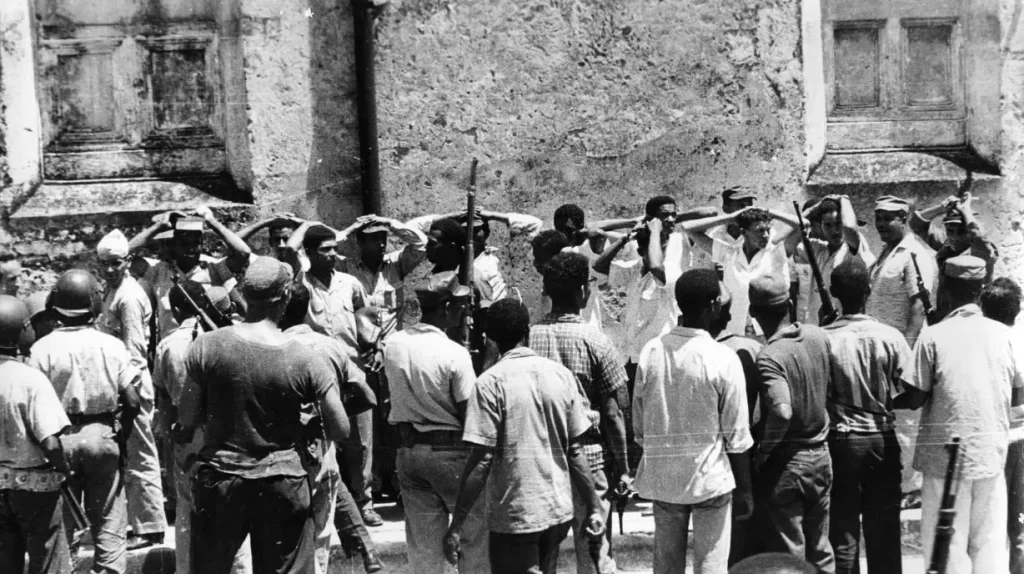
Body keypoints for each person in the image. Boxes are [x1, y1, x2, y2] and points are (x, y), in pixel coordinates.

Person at [175, 257, 351, 574]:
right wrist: (307, 424)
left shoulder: (206, 346)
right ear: (285, 296)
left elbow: (185, 420)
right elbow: (340, 428)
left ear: (244, 293)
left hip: (222, 479)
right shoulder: (305, 357)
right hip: (283, 480)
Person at [443, 299, 606, 574]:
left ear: (491, 339)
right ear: (527, 331)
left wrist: (456, 526)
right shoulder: (561, 375)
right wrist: (593, 508)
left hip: (516, 514)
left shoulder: (489, 383)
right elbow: (575, 451)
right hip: (557, 510)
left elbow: (482, 460)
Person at [897, 255, 1024, 574]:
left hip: (943, 460)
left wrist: (886, 401)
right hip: (989, 457)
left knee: (947, 549)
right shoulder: (1003, 335)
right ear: (981, 291)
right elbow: (1017, 394)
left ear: (945, 289)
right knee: (988, 546)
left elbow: (915, 397)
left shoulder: (934, 335)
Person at [633, 268, 754, 574]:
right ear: (713, 306)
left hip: (664, 482)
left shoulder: (651, 351)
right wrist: (745, 490)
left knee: (666, 565)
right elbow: (737, 437)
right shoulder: (723, 358)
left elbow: (640, 426)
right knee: (711, 565)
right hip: (710, 482)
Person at [28, 270, 143, 574]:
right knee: (109, 517)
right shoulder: (111, 344)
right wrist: (120, 433)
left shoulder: (41, 349)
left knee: (64, 522)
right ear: (94, 302)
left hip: (59, 440)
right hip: (102, 435)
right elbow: (133, 401)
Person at [530, 252, 629, 574]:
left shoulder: (529, 337)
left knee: (544, 553)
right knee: (594, 550)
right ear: (583, 291)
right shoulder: (596, 340)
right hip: (589, 458)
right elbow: (612, 413)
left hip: (541, 459)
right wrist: (624, 467)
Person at [383, 277, 488, 574]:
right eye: (459, 305)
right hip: (451, 453)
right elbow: (471, 415)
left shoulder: (393, 344)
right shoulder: (454, 352)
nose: (463, 311)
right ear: (445, 307)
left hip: (410, 452)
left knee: (424, 551)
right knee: (473, 541)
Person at [279, 282, 382, 574]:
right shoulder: (330, 345)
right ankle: (366, 550)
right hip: (322, 443)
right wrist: (330, 418)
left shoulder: (274, 346)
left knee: (299, 538)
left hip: (286, 452)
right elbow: (368, 397)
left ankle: (365, 550)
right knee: (330, 496)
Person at [151, 280, 252, 574]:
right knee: (233, 509)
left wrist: (171, 438)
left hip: (189, 436)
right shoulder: (228, 337)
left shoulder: (168, 345)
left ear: (177, 309)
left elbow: (164, 400)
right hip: (229, 435)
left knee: (187, 511)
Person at [285, 221, 381, 526]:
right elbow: (289, 249)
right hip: (316, 375)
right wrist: (308, 224)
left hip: (351, 370)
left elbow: (366, 317)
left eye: (334, 249)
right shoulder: (301, 281)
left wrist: (375, 345)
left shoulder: (350, 283)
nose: (332, 255)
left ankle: (364, 502)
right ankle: (321, 504)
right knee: (322, 440)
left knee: (361, 441)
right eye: (325, 250)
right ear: (310, 253)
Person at [822, 258, 912, 574]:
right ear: (869, 290)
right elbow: (911, 393)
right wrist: (883, 404)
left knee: (842, 532)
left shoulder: (823, 338)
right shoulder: (891, 337)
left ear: (833, 293)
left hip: (841, 442)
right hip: (882, 439)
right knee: (884, 531)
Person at [747, 274, 834, 573]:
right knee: (821, 549)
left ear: (753, 312)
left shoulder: (769, 355)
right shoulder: (818, 336)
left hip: (787, 463)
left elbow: (782, 411)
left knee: (790, 555)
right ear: (791, 303)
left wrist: (763, 453)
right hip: (821, 455)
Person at [95, 229, 167, 549]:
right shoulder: (111, 290)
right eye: (105, 264)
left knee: (140, 455)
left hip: (131, 388)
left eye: (117, 263)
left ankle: (150, 527)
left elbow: (135, 354)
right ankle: (137, 522)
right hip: (119, 386)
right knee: (127, 457)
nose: (110, 269)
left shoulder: (128, 297)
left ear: (127, 262)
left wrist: (129, 396)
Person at [866, 194, 938, 503]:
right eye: (878, 218)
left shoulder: (914, 253)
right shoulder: (888, 251)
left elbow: (919, 307)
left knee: (907, 419)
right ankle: (899, 483)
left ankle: (911, 488)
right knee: (894, 419)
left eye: (888, 218)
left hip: (903, 350)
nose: (881, 224)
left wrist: (905, 358)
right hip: (885, 350)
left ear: (904, 219)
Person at [0, 295, 73, 574]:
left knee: (6, 561)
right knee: (48, 559)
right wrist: (64, 469)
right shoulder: (30, 379)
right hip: (34, 488)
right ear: (21, 330)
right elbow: (50, 442)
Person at [707, 279, 765, 566]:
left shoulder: (697, 352)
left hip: (715, 459)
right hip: (753, 453)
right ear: (728, 314)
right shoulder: (754, 347)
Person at [682, 206, 799, 338]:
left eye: (768, 230)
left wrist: (770, 212)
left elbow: (802, 224)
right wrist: (731, 218)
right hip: (734, 331)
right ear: (744, 232)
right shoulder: (728, 253)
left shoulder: (776, 253)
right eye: (760, 231)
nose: (766, 235)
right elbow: (688, 228)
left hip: (768, 331)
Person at [140, 207, 253, 339]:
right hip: (173, 347)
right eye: (184, 244)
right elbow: (122, 254)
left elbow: (244, 253)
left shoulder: (213, 267)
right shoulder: (158, 271)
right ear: (173, 245)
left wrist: (212, 221)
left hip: (208, 346)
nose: (191, 249)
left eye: (196, 243)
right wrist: (158, 226)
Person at [409, 208, 542, 308]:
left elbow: (534, 225)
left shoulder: (502, 257)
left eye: (476, 229)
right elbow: (410, 229)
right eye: (466, 230)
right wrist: (449, 217)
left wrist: (493, 215)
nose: (471, 234)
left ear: (486, 232)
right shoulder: (449, 261)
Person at [980, 277, 1024, 574]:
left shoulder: (980, 341)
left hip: (993, 440)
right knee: (1019, 524)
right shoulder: (1016, 340)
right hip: (1016, 437)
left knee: (988, 527)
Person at [791, 196, 875, 325]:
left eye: (838, 223)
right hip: (817, 326)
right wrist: (811, 210)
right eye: (828, 225)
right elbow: (784, 240)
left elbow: (849, 228)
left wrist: (844, 199)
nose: (834, 231)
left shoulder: (852, 248)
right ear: (820, 225)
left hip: (845, 326)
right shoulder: (818, 249)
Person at [909, 192, 998, 285]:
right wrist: (941, 208)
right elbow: (916, 224)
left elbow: (978, 234)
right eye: (950, 231)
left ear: (969, 232)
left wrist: (965, 210)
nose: (954, 237)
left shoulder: (981, 250)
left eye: (961, 232)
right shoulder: (947, 244)